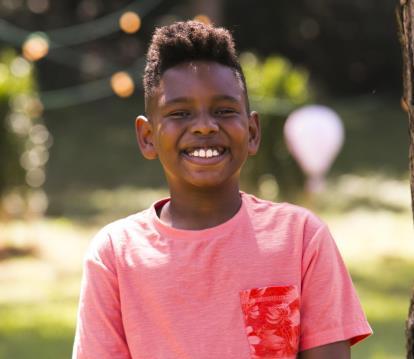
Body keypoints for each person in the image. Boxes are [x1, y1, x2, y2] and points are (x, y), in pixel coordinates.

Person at [72, 20, 372, 359]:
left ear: (253, 130)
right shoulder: (115, 253)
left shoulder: (302, 239)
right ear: (147, 137)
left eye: (224, 111)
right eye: (180, 112)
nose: (204, 126)